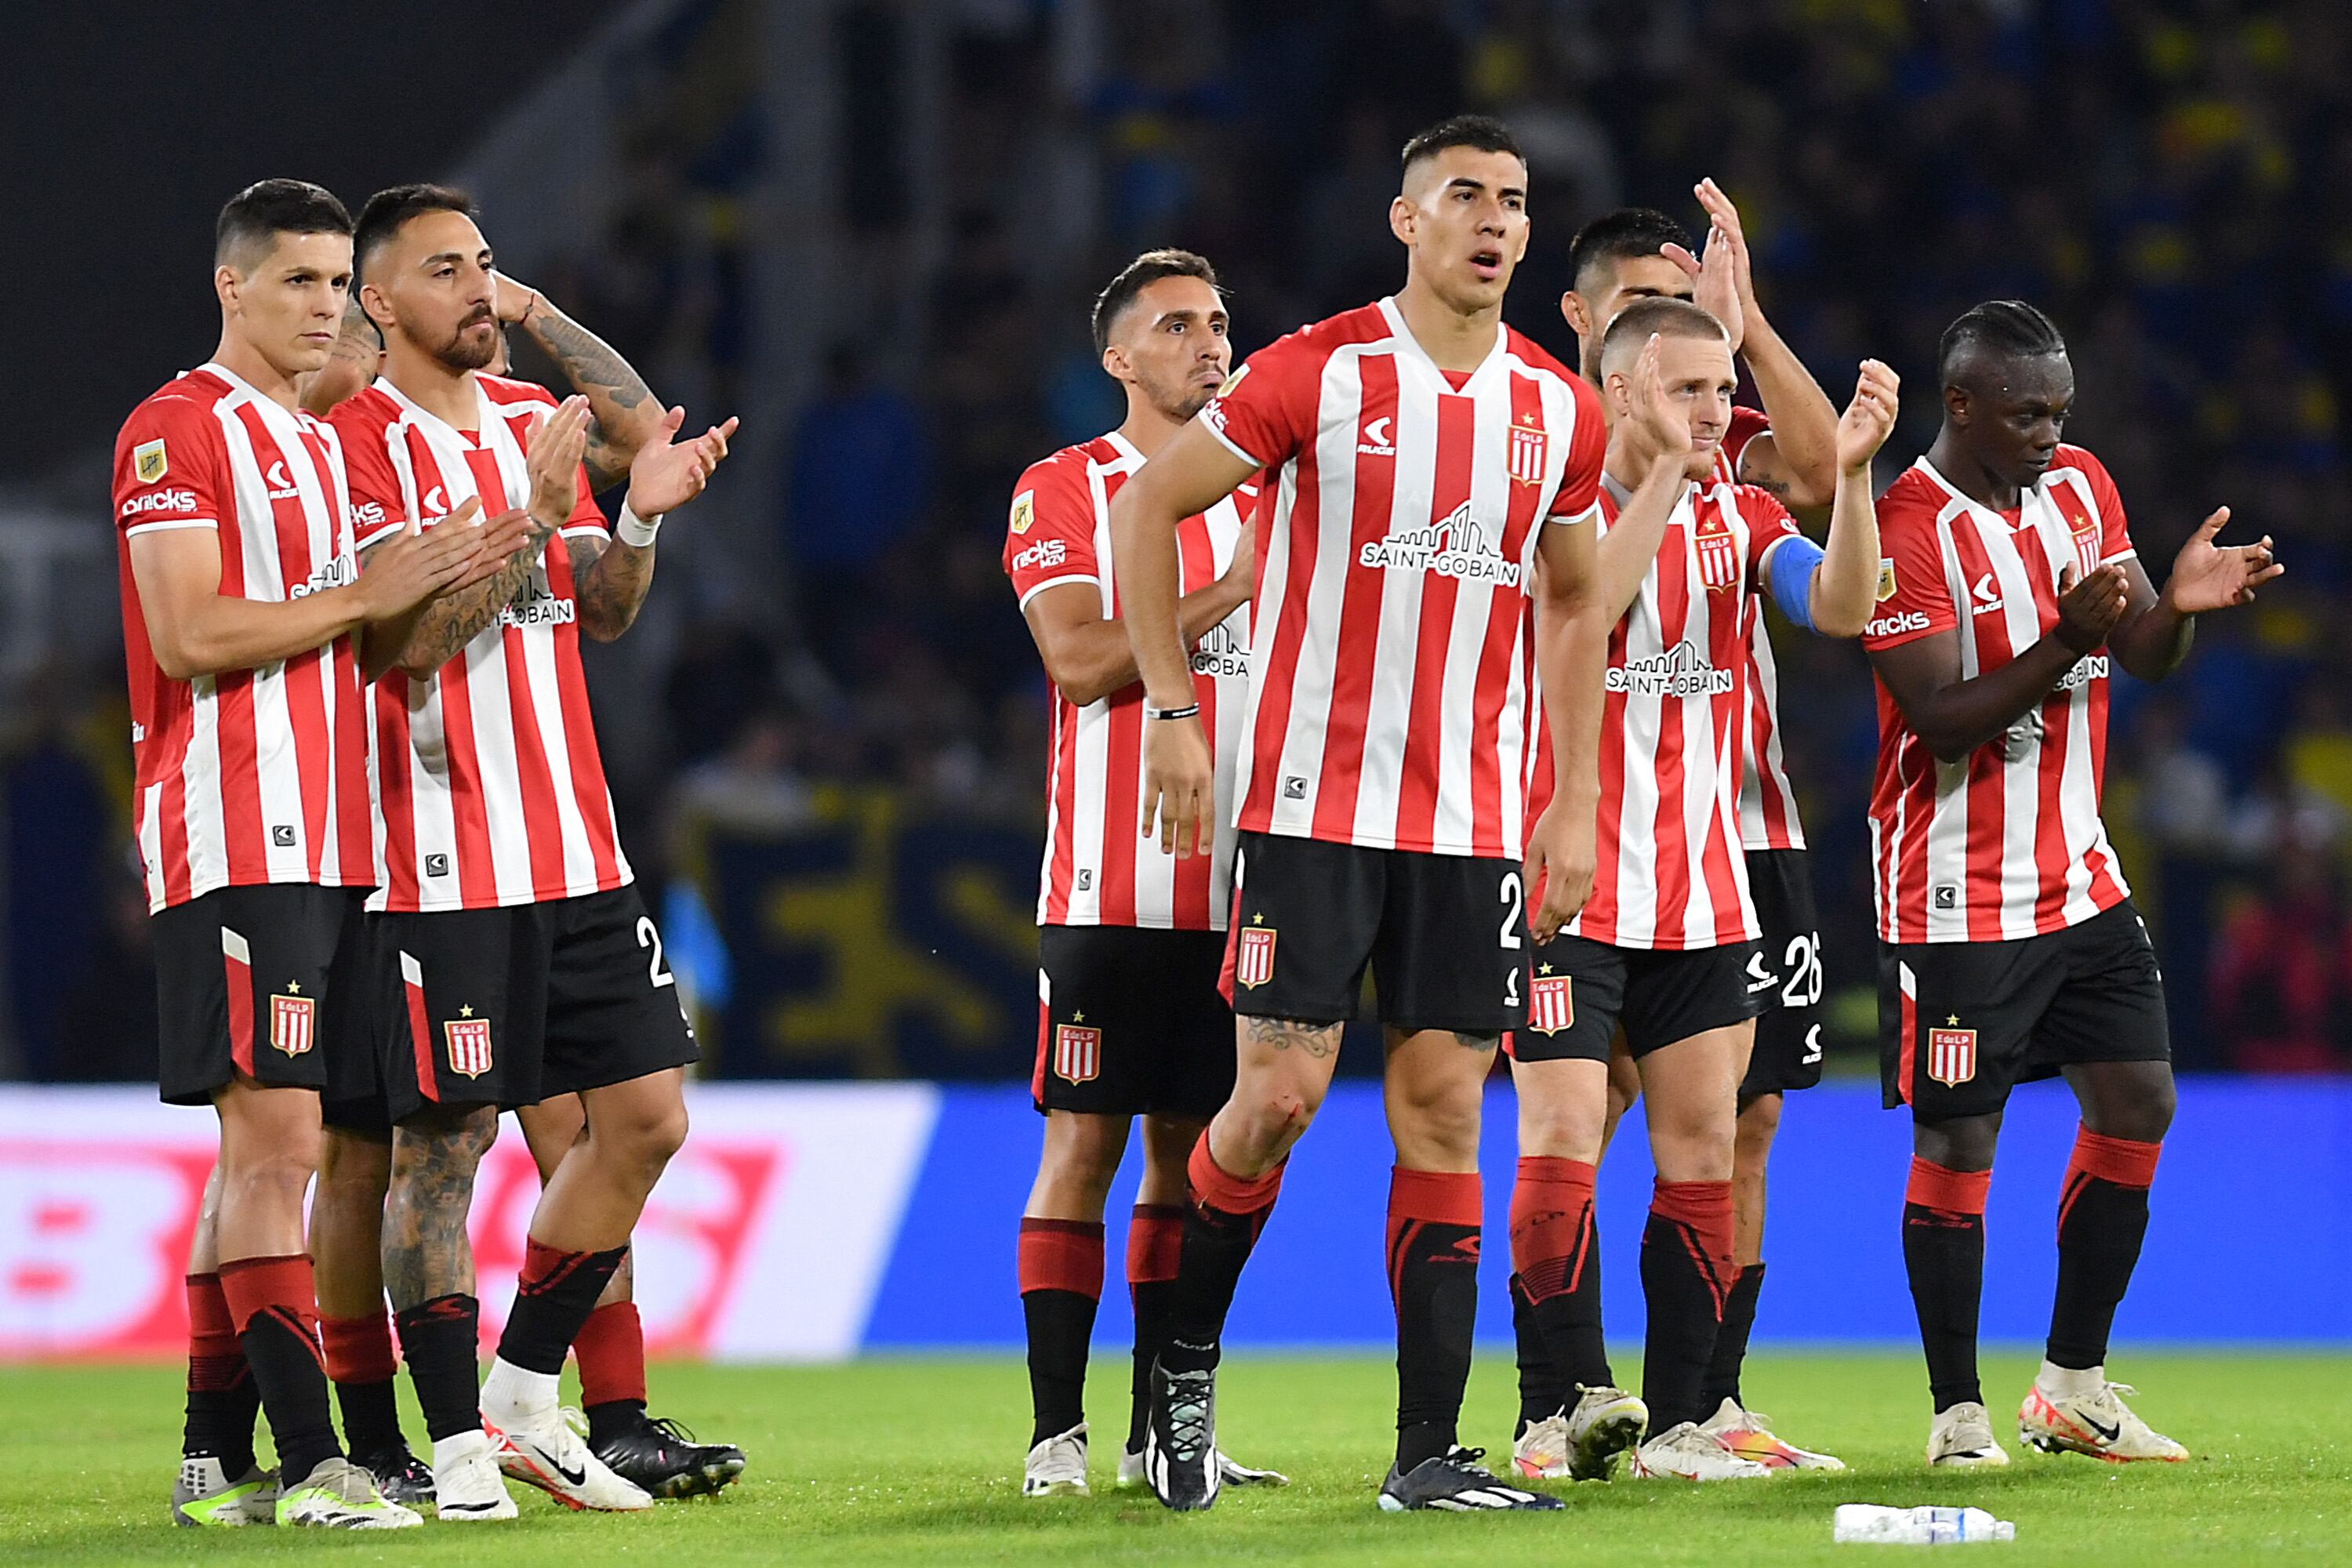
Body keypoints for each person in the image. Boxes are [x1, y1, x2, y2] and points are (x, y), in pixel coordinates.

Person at [1110, 114, 1615, 1513]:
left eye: (1514, 200)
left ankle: (1427, 1455)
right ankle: (1182, 1381)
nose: (1495, 220)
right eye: (1466, 195)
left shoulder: (1554, 409)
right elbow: (1150, 508)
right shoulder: (1318, 373)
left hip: (1466, 823)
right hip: (1311, 810)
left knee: (1446, 1112)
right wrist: (1170, 710)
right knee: (1273, 1096)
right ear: (1408, 220)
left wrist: (1569, 800)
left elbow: (1575, 601)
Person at [326, 183, 735, 1519]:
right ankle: (453, 1452)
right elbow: (407, 648)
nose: (479, 289)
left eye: (486, 263)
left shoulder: (519, 414)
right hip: (440, 864)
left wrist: (632, 517)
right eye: (446, 271)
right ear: (378, 303)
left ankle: (521, 1394)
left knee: (647, 1120)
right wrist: (531, 512)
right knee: (446, 1150)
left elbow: (602, 607)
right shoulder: (361, 444)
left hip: (579, 851)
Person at [121, 179, 519, 1530]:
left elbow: (374, 631)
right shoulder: (174, 432)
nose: (327, 308)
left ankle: (213, 1460)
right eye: (299, 281)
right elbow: (188, 635)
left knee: (290, 1146)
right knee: (279, 1137)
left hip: (343, 838)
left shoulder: (310, 439)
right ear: (232, 286)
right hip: (235, 822)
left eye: (339, 283)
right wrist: (368, 592)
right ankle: (313, 1466)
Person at [1864, 299, 2279, 1467]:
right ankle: (1957, 1415)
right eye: (2027, 412)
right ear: (1960, 405)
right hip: (1953, 890)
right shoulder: (1907, 527)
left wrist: (2179, 610)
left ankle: (2073, 1385)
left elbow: (2137, 648)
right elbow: (1940, 722)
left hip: (2079, 876)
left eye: (2061, 409)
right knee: (1960, 1142)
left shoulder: (2083, 485)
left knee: (2140, 1100)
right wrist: (2061, 637)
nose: (2052, 431)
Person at [1507, 297, 1894, 1481]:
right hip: (1569, 886)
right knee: (1566, 1130)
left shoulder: (1744, 514)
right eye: (1689, 392)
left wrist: (1862, 479)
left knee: (1704, 1151)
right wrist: (1671, 481)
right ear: (1622, 392)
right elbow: (1580, 614)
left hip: (1703, 894)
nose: (1715, 414)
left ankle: (1680, 1424)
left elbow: (1841, 605)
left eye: (1723, 393)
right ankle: (1552, 1411)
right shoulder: (1556, 511)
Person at [1000, 249, 1287, 1500]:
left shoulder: (1278, 485)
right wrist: (1226, 589)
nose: (1208, 343)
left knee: (1189, 1157)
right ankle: (1053, 1436)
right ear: (1118, 358)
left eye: (1219, 323)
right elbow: (1075, 657)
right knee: (1083, 1149)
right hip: (1114, 889)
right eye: (1176, 327)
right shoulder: (1069, 486)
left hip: (1255, 890)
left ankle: (1156, 1434)